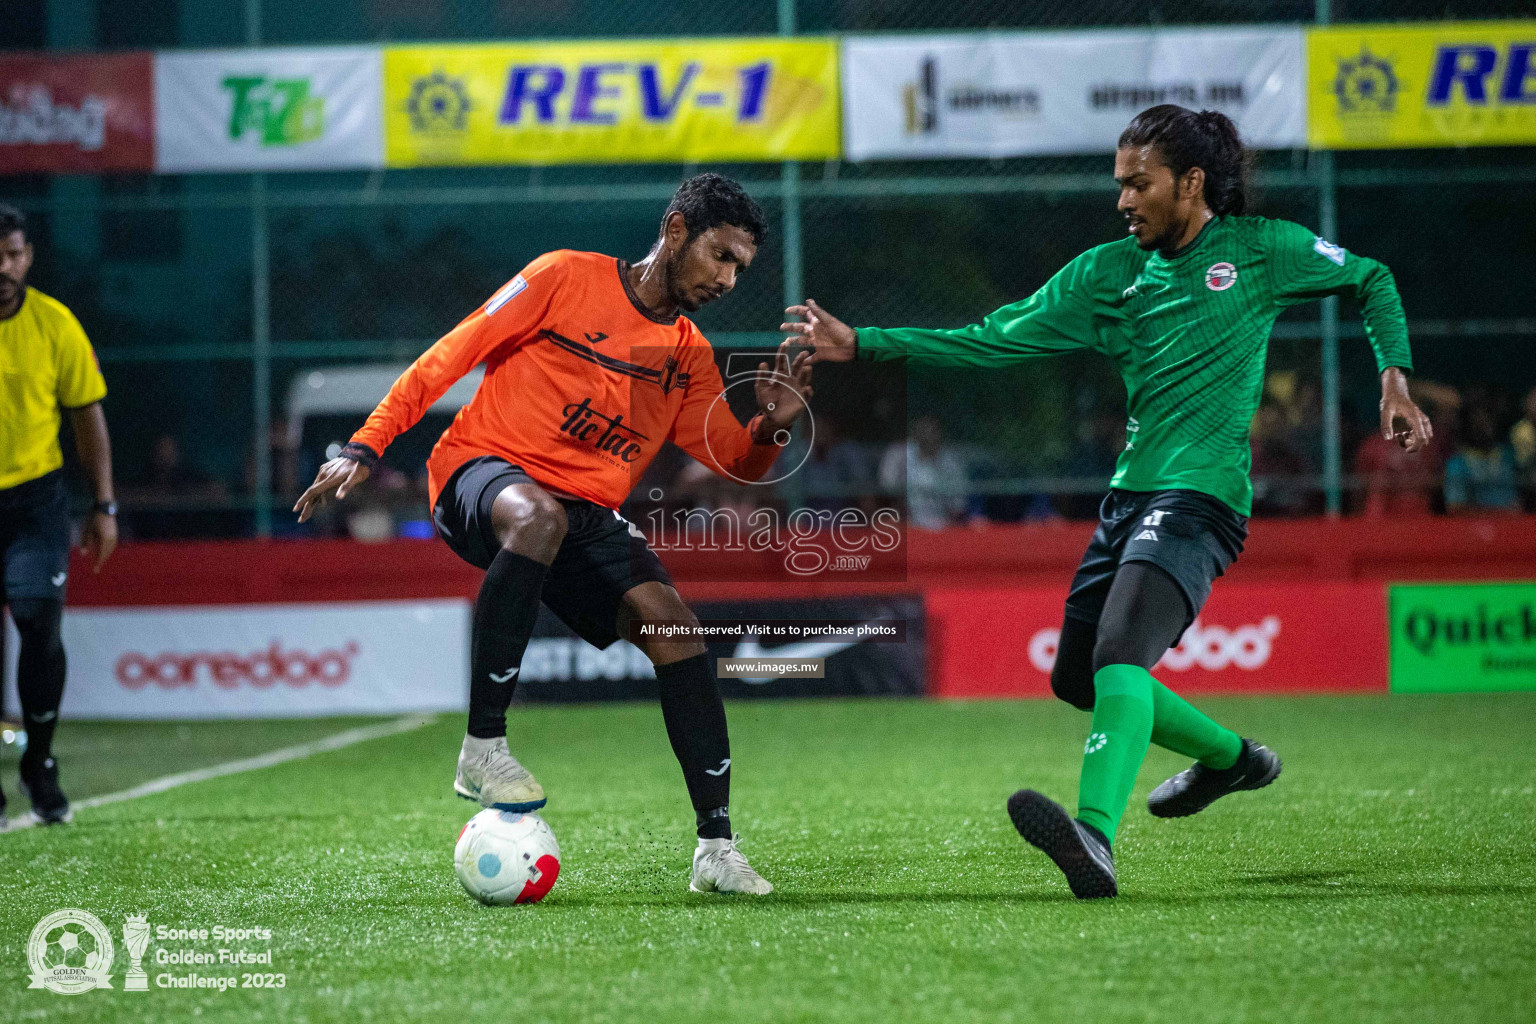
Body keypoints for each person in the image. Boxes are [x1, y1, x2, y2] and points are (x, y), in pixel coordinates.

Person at [785, 106, 1432, 898]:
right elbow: (994, 338)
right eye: (1119, 184)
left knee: (1121, 653)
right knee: (1077, 679)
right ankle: (1233, 759)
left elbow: (1372, 277)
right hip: (1129, 500)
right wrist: (865, 345)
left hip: (1202, 499)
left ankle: (1095, 837)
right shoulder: (1106, 274)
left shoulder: (1260, 251)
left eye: (1138, 184)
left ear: (1191, 184)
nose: (1123, 200)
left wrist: (1393, 379)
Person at [294, 175, 810, 894]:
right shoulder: (563, 277)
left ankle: (716, 850)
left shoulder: (688, 355)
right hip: (480, 475)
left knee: (676, 631)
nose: (727, 279)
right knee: (539, 516)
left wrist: (775, 424)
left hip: (580, 512)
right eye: (720, 256)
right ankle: (483, 746)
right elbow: (449, 354)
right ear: (674, 230)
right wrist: (364, 445)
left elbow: (734, 457)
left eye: (739, 269)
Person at [0, 204, 118, 828]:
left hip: (33, 502)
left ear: (28, 255)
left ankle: (39, 765)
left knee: (37, 619)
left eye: (13, 253)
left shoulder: (54, 323)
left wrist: (103, 505)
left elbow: (87, 416)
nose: (3, 266)